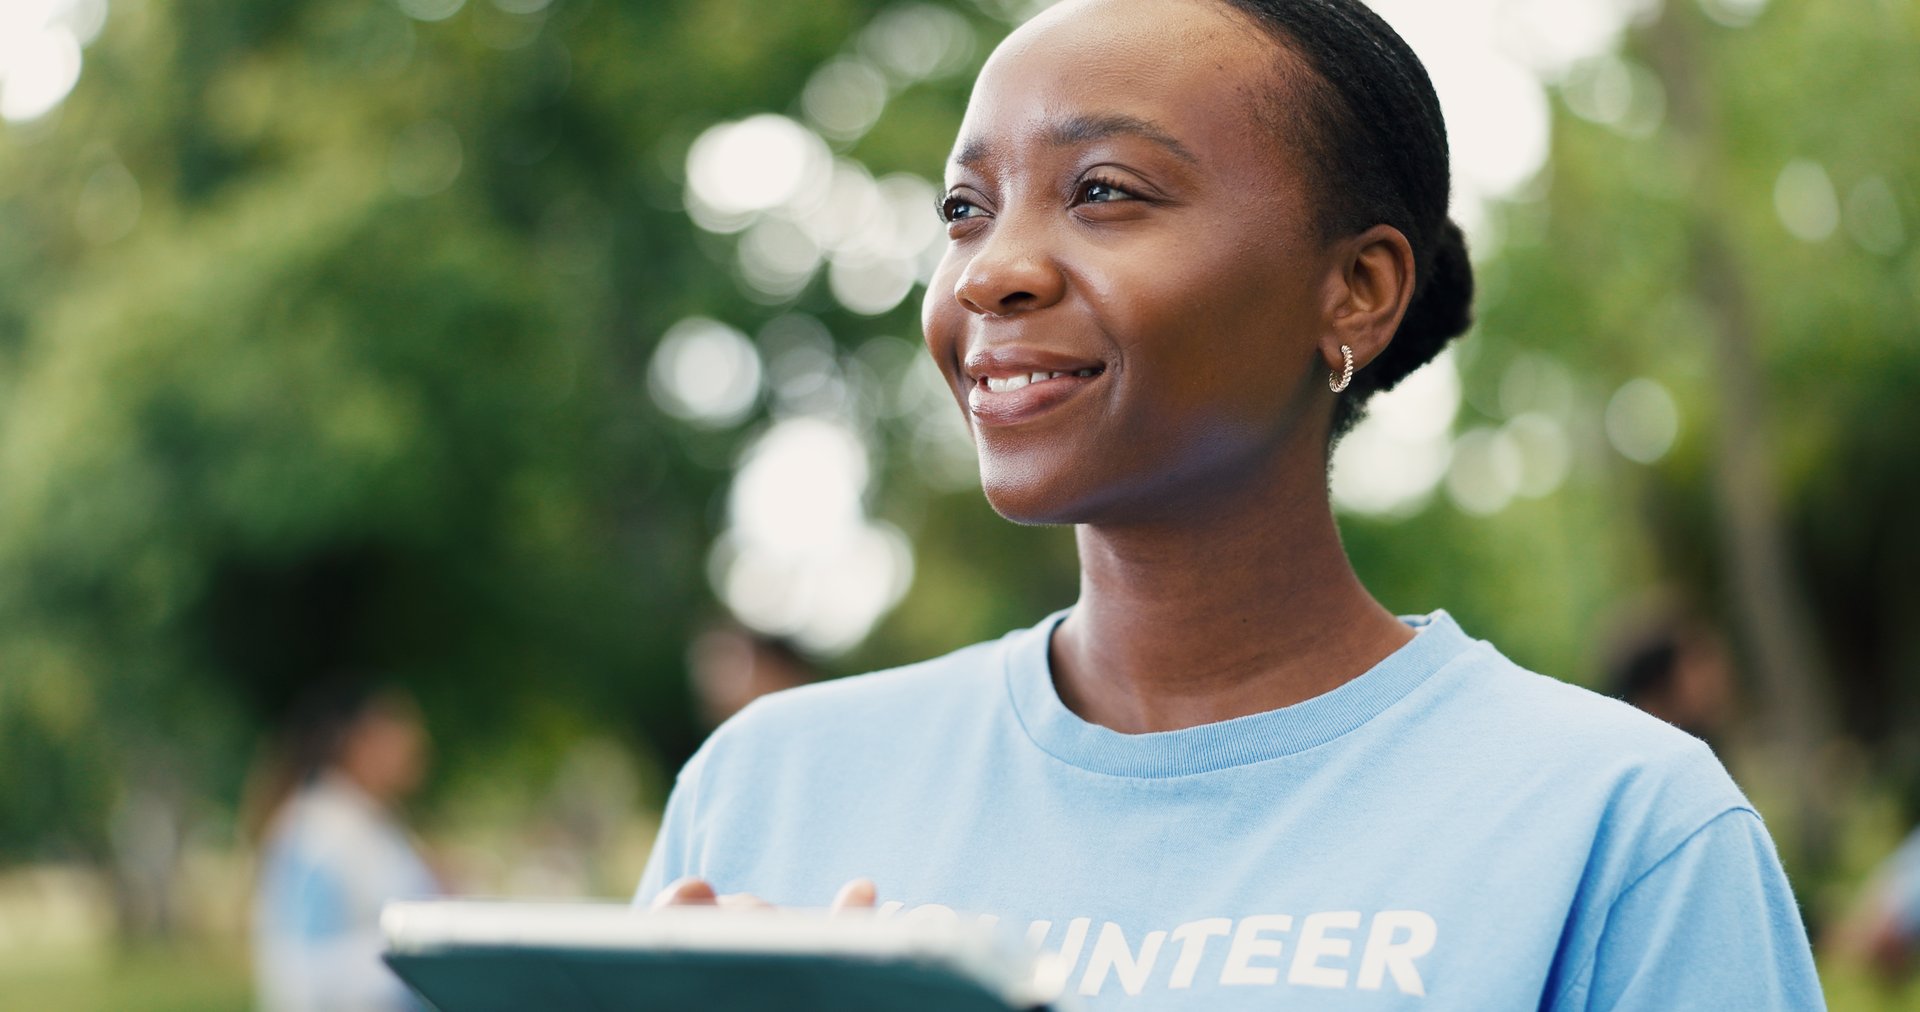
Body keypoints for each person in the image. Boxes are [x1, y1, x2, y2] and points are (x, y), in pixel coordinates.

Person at [639, 0, 1824, 1007]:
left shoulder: (1619, 830)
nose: (991, 269)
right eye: (965, 208)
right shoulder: (769, 790)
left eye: (1102, 190)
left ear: (1357, 289)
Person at [250, 683, 440, 1012]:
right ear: (358, 740)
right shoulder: (315, 830)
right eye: (398, 727)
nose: (416, 742)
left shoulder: (364, 823)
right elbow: (302, 968)